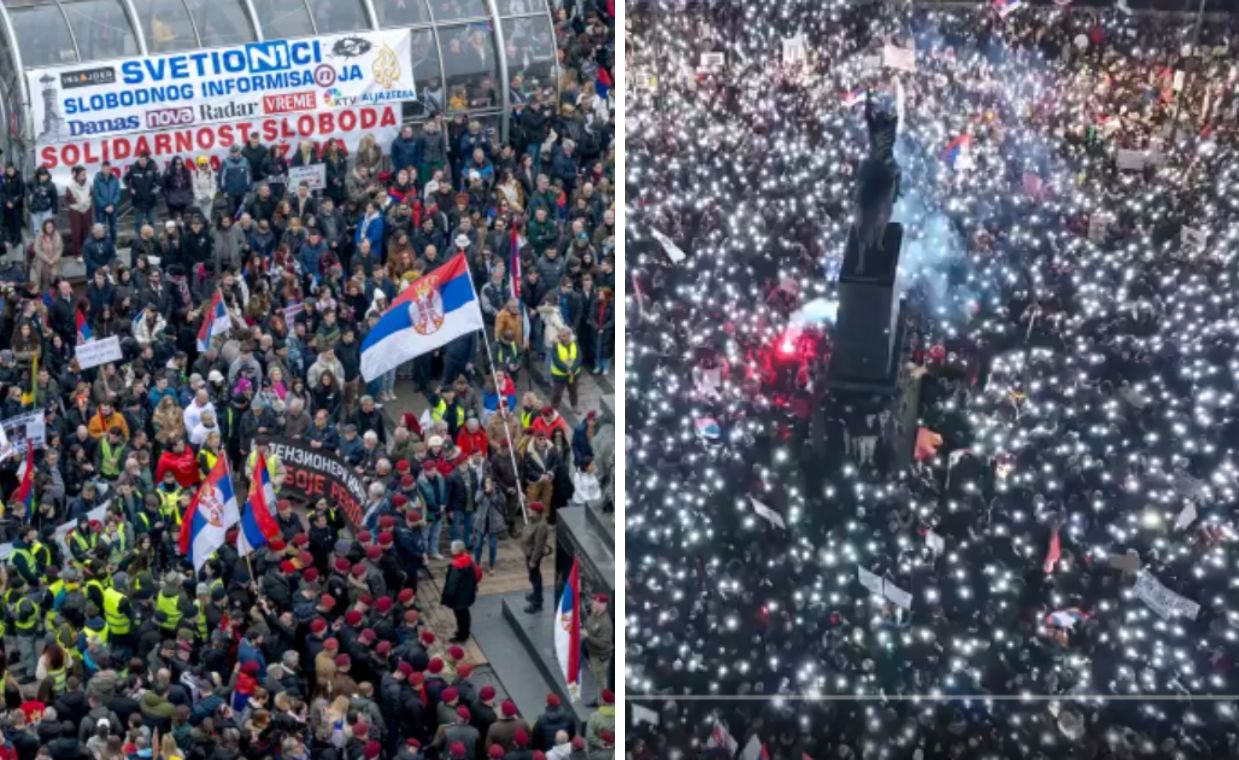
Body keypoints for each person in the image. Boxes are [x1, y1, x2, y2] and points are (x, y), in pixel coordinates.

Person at [440, 540, 481, 643]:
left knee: (460, 615)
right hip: (467, 593)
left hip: (458, 596)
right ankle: (465, 632)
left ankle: (461, 635)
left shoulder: (456, 566)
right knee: (465, 614)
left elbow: (452, 585)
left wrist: (447, 597)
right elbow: (478, 573)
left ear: (456, 550)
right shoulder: (468, 559)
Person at [519, 501, 550, 613]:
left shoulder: (541, 526)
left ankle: (537, 603)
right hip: (529, 553)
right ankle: (535, 594)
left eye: (530, 510)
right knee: (533, 577)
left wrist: (533, 560)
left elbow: (539, 545)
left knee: (535, 578)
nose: (528, 511)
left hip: (533, 556)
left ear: (536, 512)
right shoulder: (533, 521)